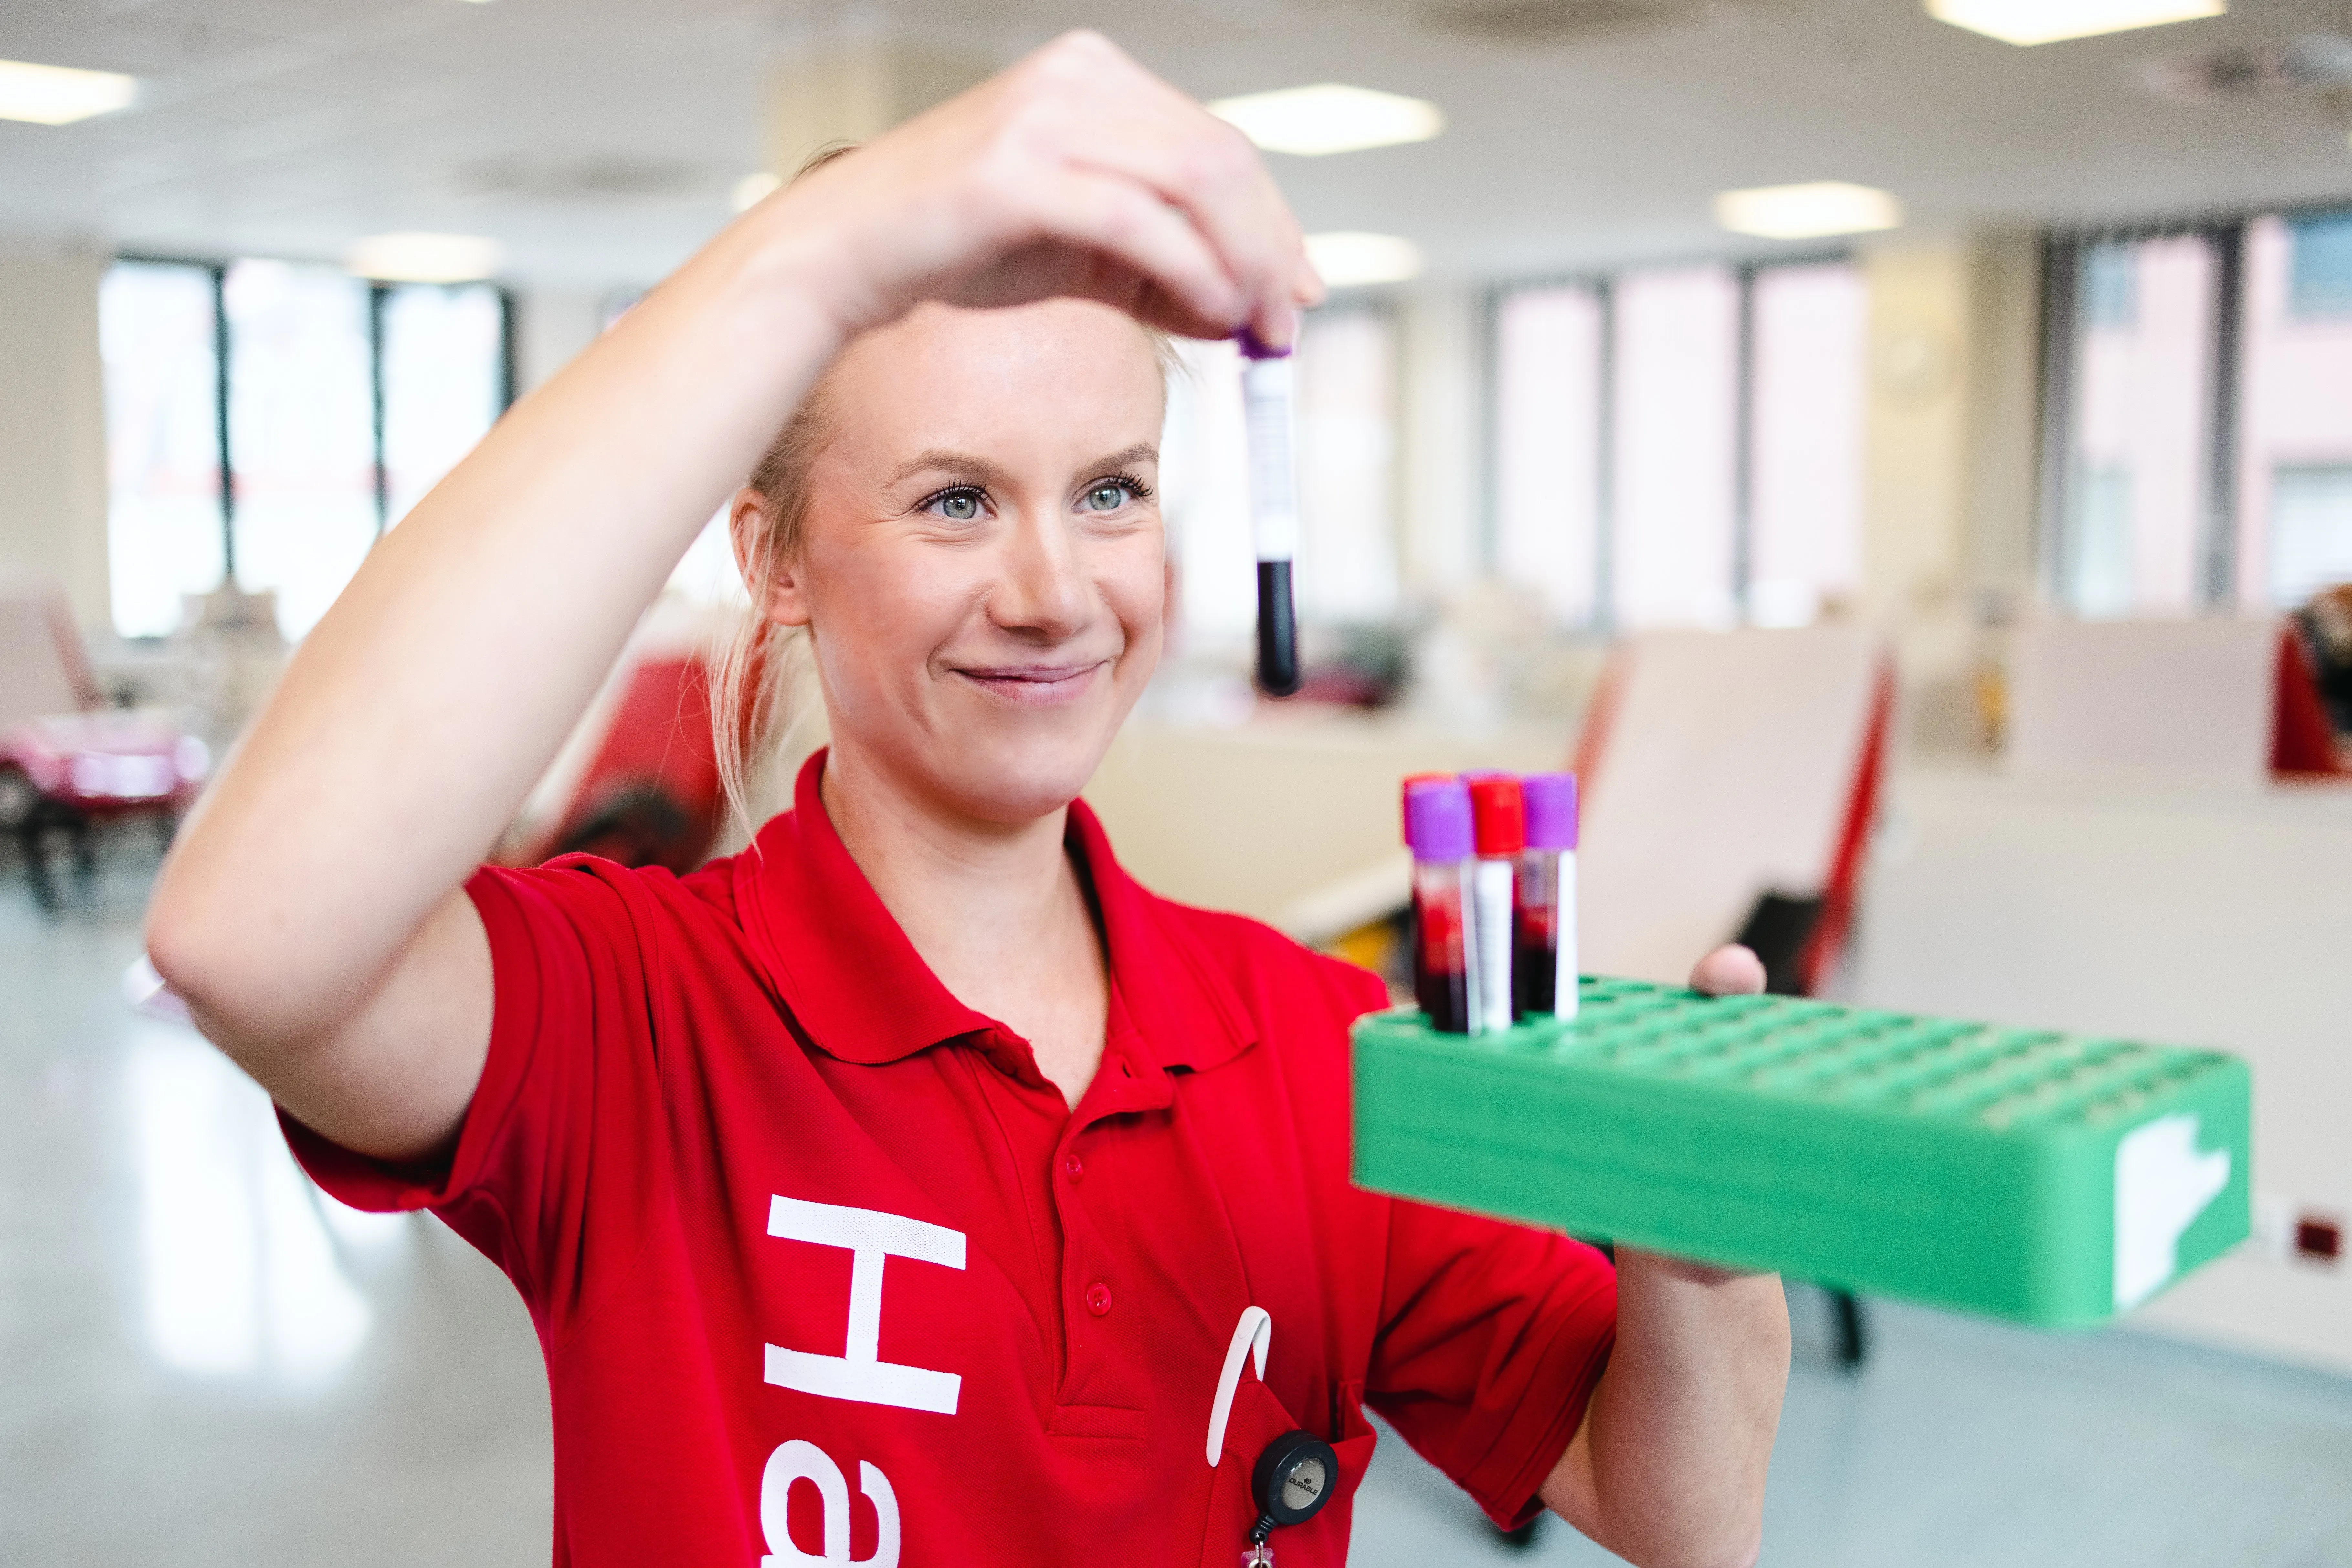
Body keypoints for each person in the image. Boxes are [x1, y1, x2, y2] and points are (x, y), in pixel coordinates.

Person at [148, 30, 1788, 1568]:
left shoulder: (1308, 1044)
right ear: (773, 558)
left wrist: (1700, 1245)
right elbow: (252, 937)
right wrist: (818, 255)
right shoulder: (638, 1016)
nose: (1055, 589)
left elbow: (1675, 1506)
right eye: (954, 499)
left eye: (1112, 492)